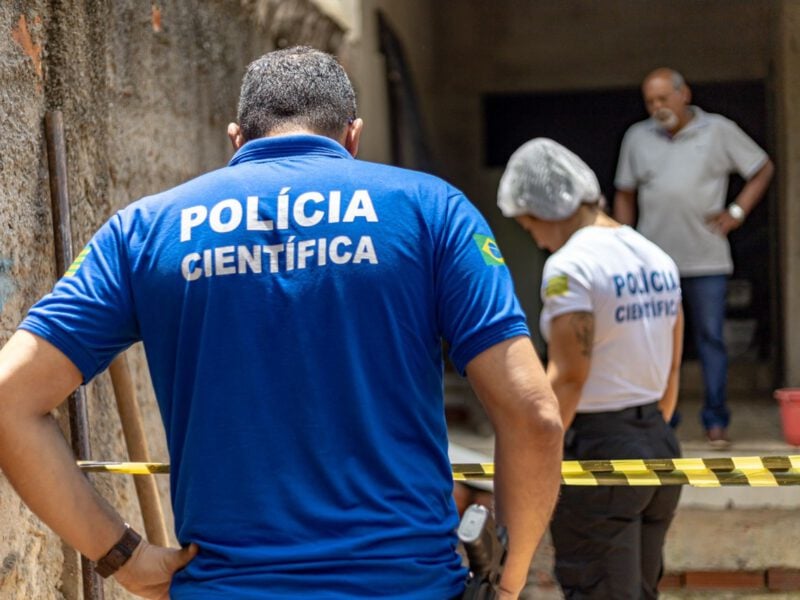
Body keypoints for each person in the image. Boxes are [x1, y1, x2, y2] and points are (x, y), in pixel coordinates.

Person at [0, 47, 563, 599]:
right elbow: (535, 416)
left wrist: (124, 556)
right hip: (407, 585)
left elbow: (10, 399)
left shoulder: (145, 231)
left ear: (236, 140)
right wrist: (507, 582)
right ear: (353, 136)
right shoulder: (432, 210)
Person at [498, 138, 683, 599]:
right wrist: (649, 429)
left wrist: (535, 455)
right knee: (640, 589)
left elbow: (569, 376)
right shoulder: (654, 256)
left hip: (600, 445)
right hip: (659, 441)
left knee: (596, 588)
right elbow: (672, 369)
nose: (534, 238)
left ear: (546, 208)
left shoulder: (571, 266)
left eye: (528, 225)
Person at [614, 67, 774, 448]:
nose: (657, 107)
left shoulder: (718, 130)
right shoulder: (637, 137)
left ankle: (716, 422)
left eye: (663, 98)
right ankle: (663, 424)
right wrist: (623, 242)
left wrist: (736, 213)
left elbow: (762, 168)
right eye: (650, 101)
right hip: (653, 265)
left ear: (683, 94)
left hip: (706, 260)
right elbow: (624, 192)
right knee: (656, 344)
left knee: (710, 340)